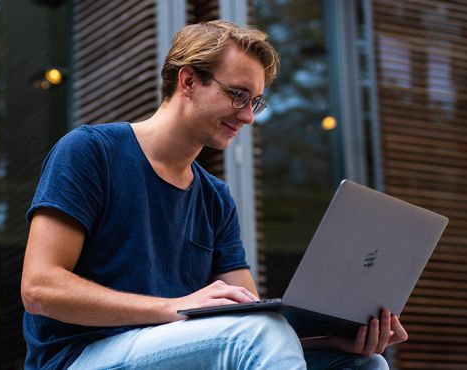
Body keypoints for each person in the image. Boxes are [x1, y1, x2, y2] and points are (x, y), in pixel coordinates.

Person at [20, 20, 408, 370]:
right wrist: (173, 309)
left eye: (255, 101)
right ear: (188, 81)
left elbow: (253, 318)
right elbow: (40, 289)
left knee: (364, 363)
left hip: (173, 350)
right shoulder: (91, 151)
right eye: (238, 95)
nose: (248, 116)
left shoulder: (215, 198)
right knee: (257, 334)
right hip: (78, 357)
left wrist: (331, 339)